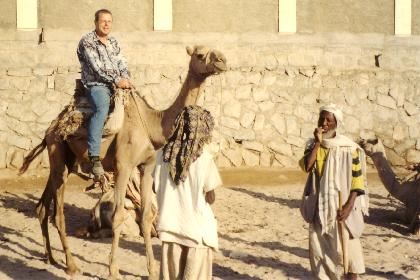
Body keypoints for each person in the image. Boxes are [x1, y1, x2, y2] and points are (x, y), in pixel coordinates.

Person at [153, 106, 222, 280]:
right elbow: (210, 197)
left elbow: (156, 187)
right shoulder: (204, 159)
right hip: (196, 234)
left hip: (170, 230)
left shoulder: (162, 156)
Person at [301, 104, 368, 280]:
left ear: (336, 123)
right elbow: (307, 166)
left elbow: (357, 180)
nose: (324, 122)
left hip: (343, 208)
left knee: (350, 255)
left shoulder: (349, 148)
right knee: (320, 254)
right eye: (321, 118)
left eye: (328, 119)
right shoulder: (312, 144)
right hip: (319, 207)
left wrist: (349, 205)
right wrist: (317, 142)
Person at [77, 9, 132, 178]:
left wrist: (126, 78)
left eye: (109, 21)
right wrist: (117, 80)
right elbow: (97, 67)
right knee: (102, 108)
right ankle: (94, 156)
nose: (107, 24)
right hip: (96, 84)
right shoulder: (87, 41)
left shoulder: (113, 42)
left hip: (116, 83)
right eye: (103, 21)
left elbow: (121, 61)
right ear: (96, 23)